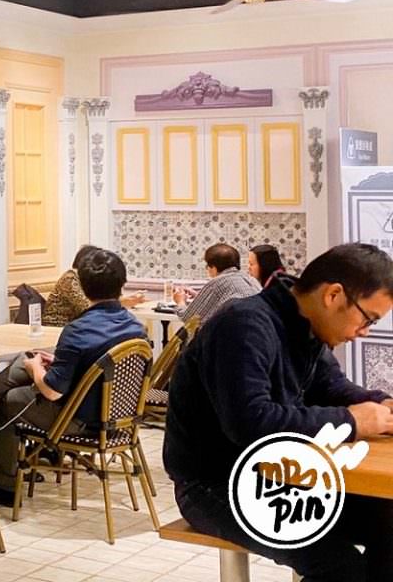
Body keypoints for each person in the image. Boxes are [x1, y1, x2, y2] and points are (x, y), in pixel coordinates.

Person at [164, 243, 393, 582]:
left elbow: (331, 386)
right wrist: (350, 421)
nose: (364, 332)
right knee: (338, 565)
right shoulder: (243, 325)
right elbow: (250, 423)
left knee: (389, 521)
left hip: (284, 477)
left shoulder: (305, 326)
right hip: (215, 486)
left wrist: (382, 405)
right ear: (333, 295)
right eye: (367, 319)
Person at [0, 248, 146, 504]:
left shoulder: (78, 330)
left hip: (76, 420)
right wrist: (54, 363)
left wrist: (35, 368)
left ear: (83, 287)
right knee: (18, 370)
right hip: (117, 419)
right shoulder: (135, 327)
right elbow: (98, 367)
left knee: (6, 401)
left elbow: (52, 391)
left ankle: (4, 486)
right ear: (122, 284)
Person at [42, 245, 146, 327]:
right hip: (57, 330)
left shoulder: (84, 279)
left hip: (79, 327)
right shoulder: (69, 278)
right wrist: (122, 302)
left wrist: (124, 301)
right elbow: (89, 308)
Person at [168, 243, 260, 325]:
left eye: (207, 265)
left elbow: (188, 318)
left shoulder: (217, 283)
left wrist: (180, 301)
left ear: (213, 267)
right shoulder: (251, 280)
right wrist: (198, 296)